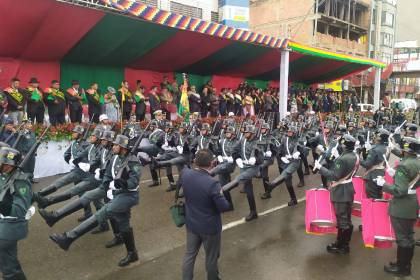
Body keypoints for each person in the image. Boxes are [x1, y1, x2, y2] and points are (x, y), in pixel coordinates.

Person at [50, 134, 141, 267]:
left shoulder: (133, 162)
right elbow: (108, 175)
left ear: (124, 149)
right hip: (114, 193)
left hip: (128, 196)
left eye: (116, 145)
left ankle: (69, 238)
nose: (113, 146)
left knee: (104, 211)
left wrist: (117, 186)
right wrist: (107, 186)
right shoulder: (114, 158)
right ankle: (132, 253)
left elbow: (133, 182)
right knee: (123, 222)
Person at [180, 149, 231, 280]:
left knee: (189, 255)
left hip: (191, 223)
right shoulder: (212, 183)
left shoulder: (185, 174)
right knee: (211, 258)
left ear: (195, 161)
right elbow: (224, 207)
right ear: (212, 163)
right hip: (209, 227)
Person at [376, 137, 420, 277]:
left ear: (406, 150)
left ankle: (403, 268)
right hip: (411, 202)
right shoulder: (416, 162)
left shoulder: (404, 165)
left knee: (403, 238)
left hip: (402, 206)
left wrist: (383, 184)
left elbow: (399, 190)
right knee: (408, 236)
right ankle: (404, 263)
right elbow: (409, 182)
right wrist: (395, 175)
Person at [314, 134, 359, 254]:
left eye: (341, 143)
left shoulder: (342, 159)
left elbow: (334, 176)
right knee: (345, 219)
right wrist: (335, 158)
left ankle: (343, 246)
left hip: (341, 192)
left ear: (344, 145)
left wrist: (320, 168)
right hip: (348, 189)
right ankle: (340, 242)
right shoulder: (354, 156)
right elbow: (345, 169)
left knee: (343, 221)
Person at [0, 147, 33, 280]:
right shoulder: (3, 176)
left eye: (9, 165)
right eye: (4, 164)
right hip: (3, 223)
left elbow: (19, 211)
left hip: (12, 225)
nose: (5, 167)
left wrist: (4, 205)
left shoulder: (21, 181)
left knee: (9, 265)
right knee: (8, 261)